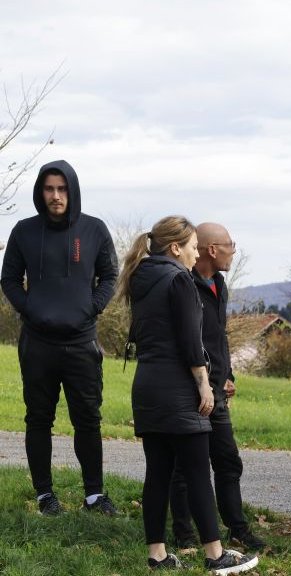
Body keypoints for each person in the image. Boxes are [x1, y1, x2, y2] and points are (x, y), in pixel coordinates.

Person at [116, 216, 257, 573]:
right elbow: (190, 343)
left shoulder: (141, 277)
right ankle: (215, 555)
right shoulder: (179, 279)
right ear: (175, 248)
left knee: (158, 474)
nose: (196, 256)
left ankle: (158, 555)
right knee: (196, 473)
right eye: (193, 248)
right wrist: (204, 384)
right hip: (178, 387)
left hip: (147, 384)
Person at [0, 160, 119, 516]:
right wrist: (30, 309)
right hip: (37, 343)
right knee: (39, 418)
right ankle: (44, 496)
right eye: (49, 189)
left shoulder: (94, 230)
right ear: (41, 192)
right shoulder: (24, 231)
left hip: (82, 342)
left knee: (88, 418)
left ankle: (94, 496)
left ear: (72, 191)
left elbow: (110, 276)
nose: (56, 196)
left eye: (62, 189)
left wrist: (90, 308)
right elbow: (8, 280)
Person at [168, 223, 265, 551]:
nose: (232, 252)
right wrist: (201, 380)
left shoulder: (218, 284)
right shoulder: (184, 284)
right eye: (229, 246)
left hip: (217, 391)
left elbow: (217, 338)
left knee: (228, 461)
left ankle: (237, 528)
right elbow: (188, 340)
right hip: (190, 390)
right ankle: (184, 535)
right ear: (212, 249)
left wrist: (228, 375)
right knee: (185, 467)